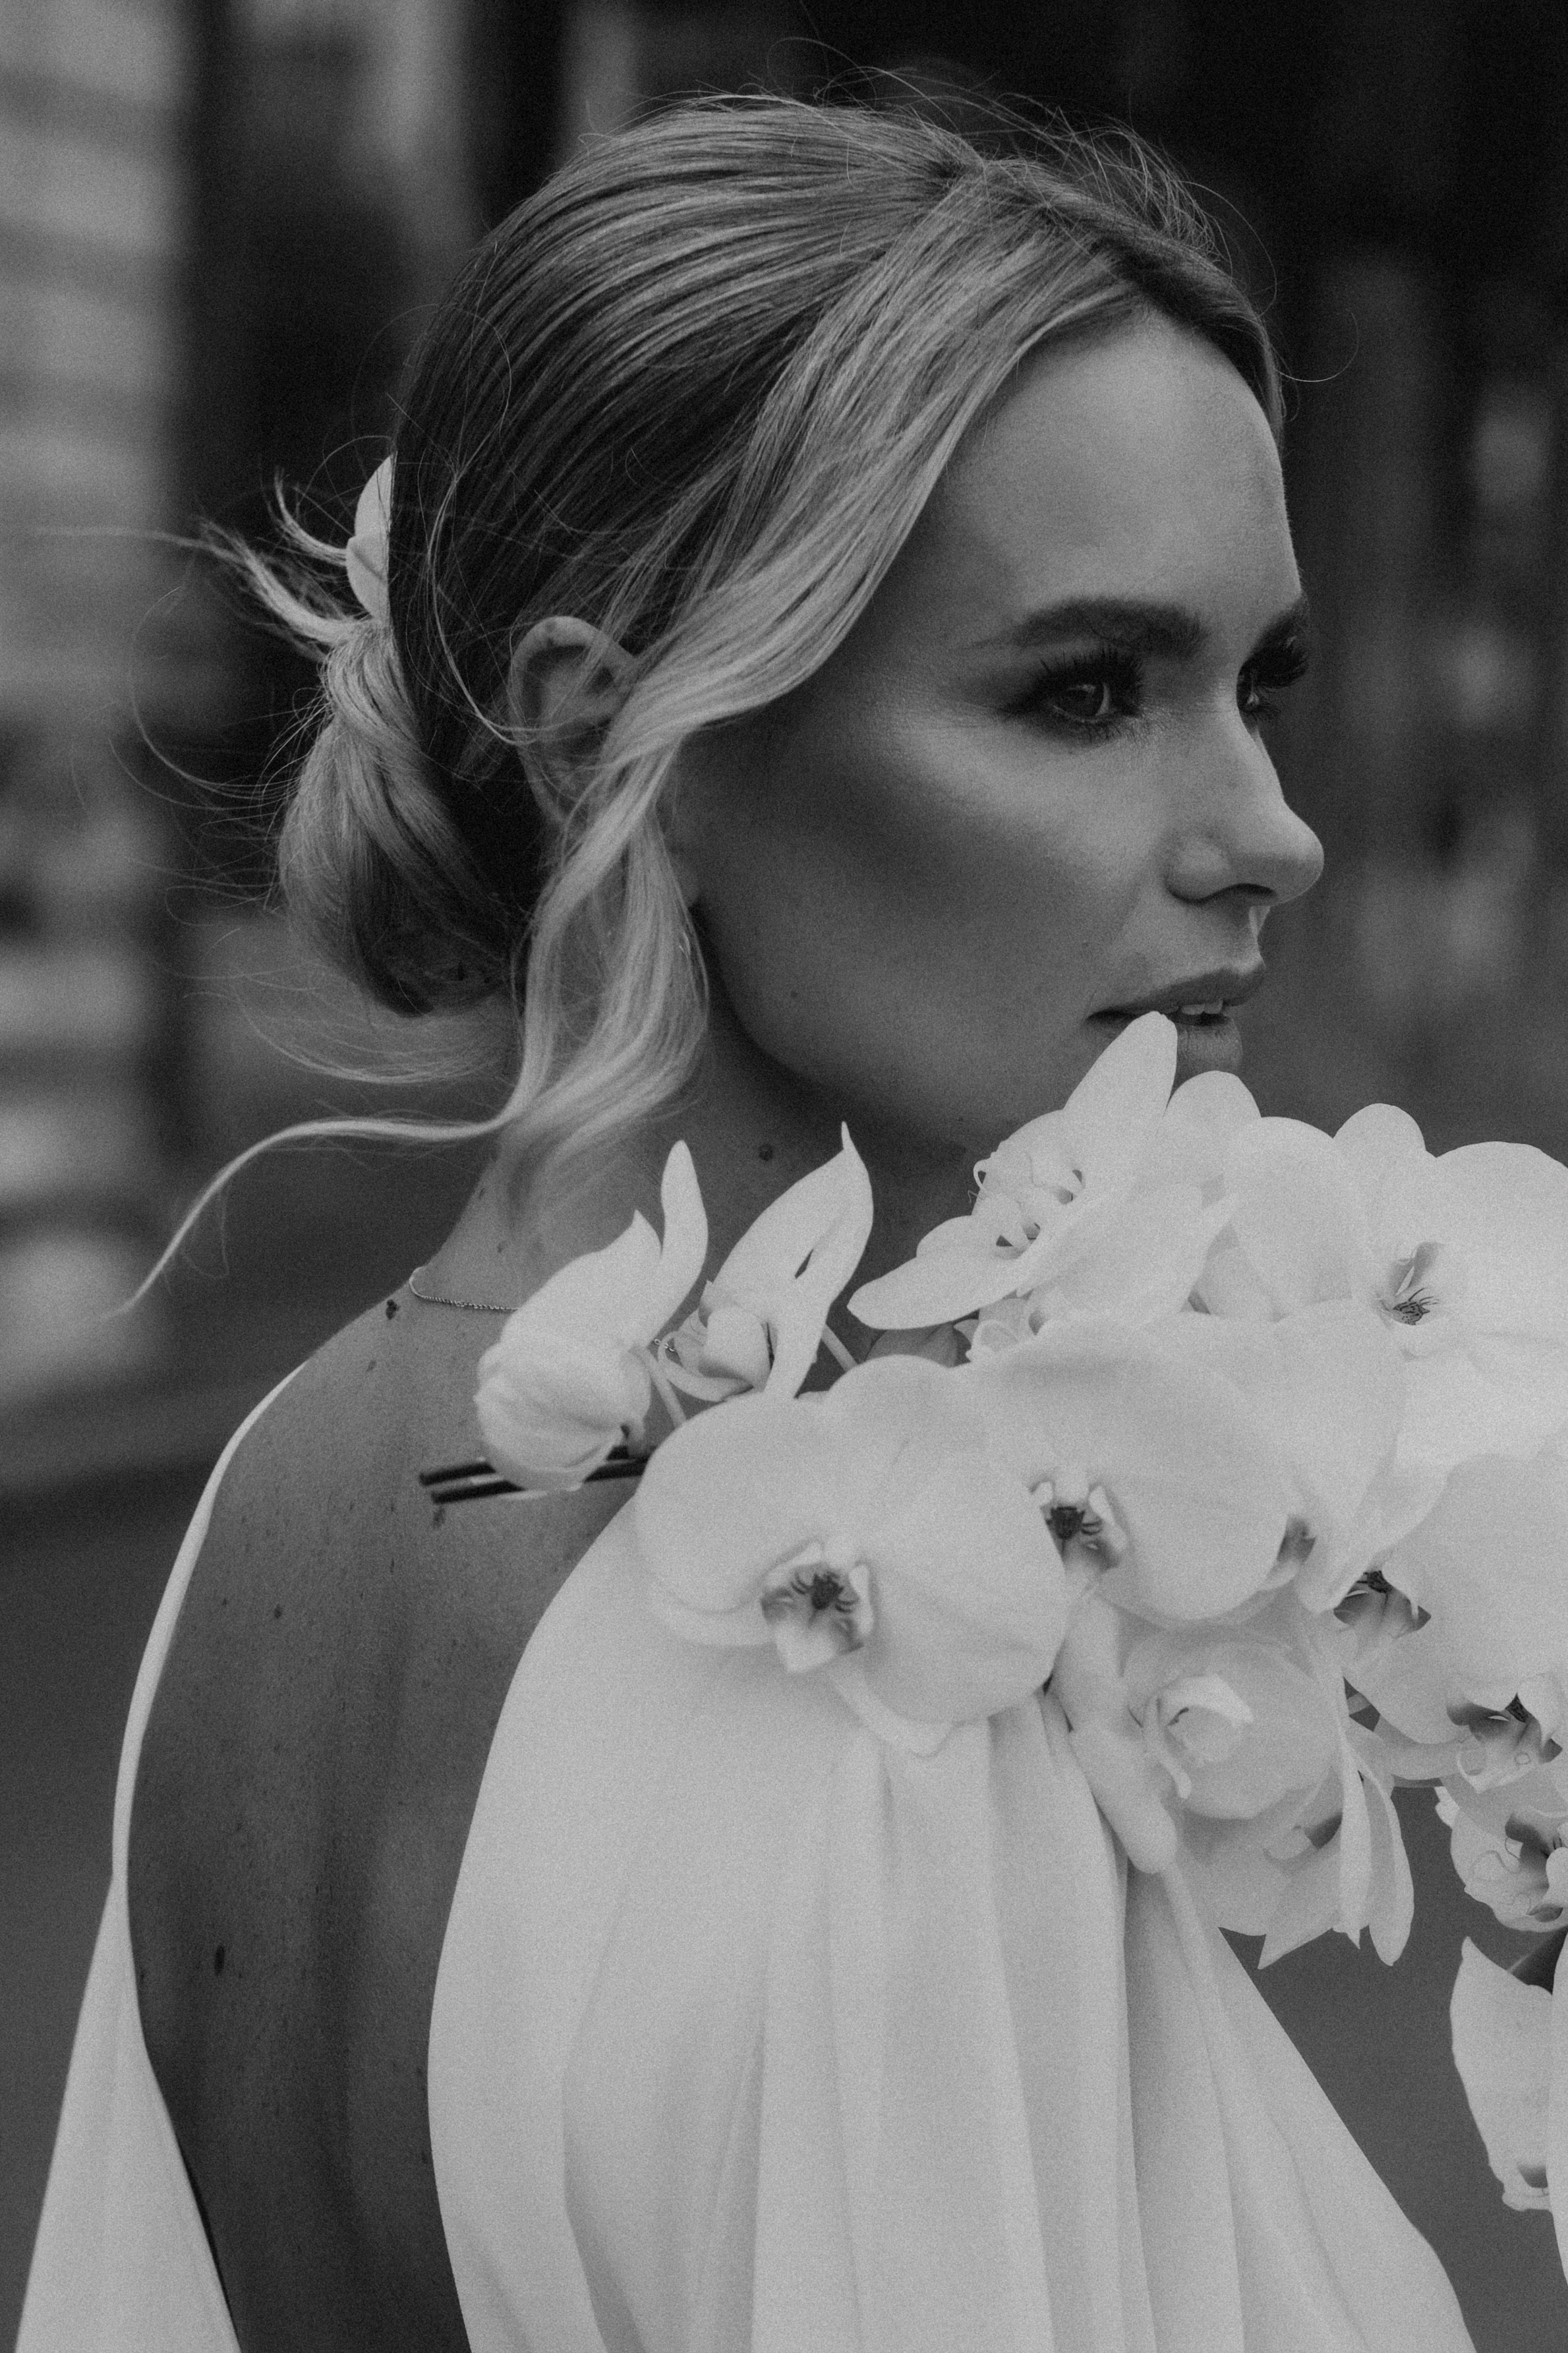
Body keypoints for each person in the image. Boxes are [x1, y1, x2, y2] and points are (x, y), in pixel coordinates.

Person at [21, 95, 1482, 2353]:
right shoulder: (882, 1673)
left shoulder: (280, 1495)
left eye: (1251, 679)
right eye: (1083, 689)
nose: (1266, 829)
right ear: (640, 751)